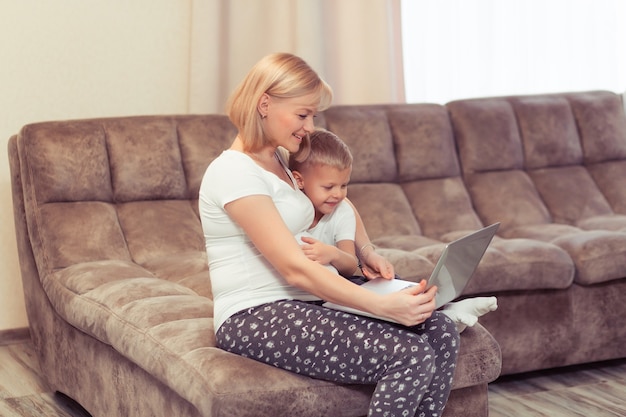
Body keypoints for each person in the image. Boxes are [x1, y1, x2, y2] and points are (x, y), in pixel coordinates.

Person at [199, 52, 459, 417]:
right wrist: (382, 306)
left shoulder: (283, 161)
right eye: (302, 114)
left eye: (312, 116)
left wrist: (365, 250)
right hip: (254, 314)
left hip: (307, 301)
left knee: (441, 330)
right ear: (264, 104)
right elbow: (294, 270)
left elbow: (338, 201)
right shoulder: (233, 173)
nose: (308, 126)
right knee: (410, 355)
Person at [290, 128, 498, 332]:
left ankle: (444, 310)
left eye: (344, 185)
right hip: (319, 293)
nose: (338, 194)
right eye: (328, 187)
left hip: (340, 283)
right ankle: (443, 316)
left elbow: (349, 264)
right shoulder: (288, 208)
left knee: (391, 282)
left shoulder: (341, 211)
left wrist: (332, 254)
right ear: (299, 180)